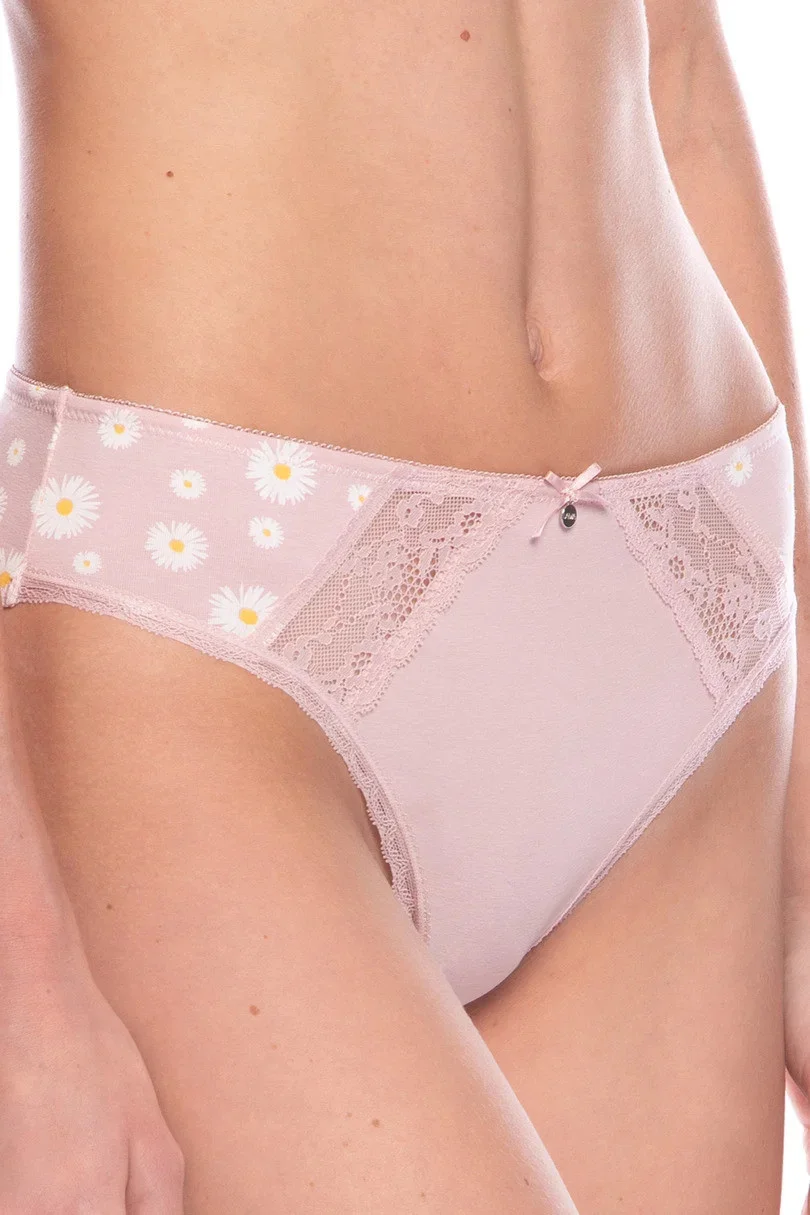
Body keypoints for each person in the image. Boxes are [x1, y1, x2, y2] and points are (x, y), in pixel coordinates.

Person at [0, 0, 807, 1211]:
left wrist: (802, 825)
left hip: (693, 594)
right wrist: (22, 990)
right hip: (220, 631)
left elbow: (677, 59)